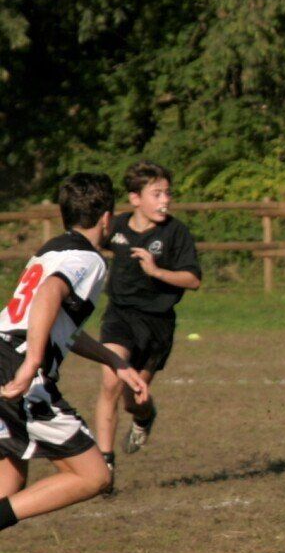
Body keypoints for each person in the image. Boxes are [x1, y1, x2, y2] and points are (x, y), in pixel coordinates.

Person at [1, 173, 150, 532]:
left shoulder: (51, 248)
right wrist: (33, 363)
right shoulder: (89, 259)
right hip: (17, 365)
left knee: (8, 479)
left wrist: (114, 359)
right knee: (94, 476)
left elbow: (56, 324)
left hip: (3, 354)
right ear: (106, 219)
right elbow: (49, 294)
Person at [95, 161, 201, 480]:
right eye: (156, 194)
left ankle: (144, 417)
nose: (165, 200)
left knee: (133, 401)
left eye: (167, 193)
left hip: (156, 324)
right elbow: (90, 243)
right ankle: (105, 466)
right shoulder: (116, 227)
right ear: (135, 198)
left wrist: (156, 272)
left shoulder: (175, 232)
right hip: (119, 315)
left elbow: (193, 279)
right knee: (110, 381)